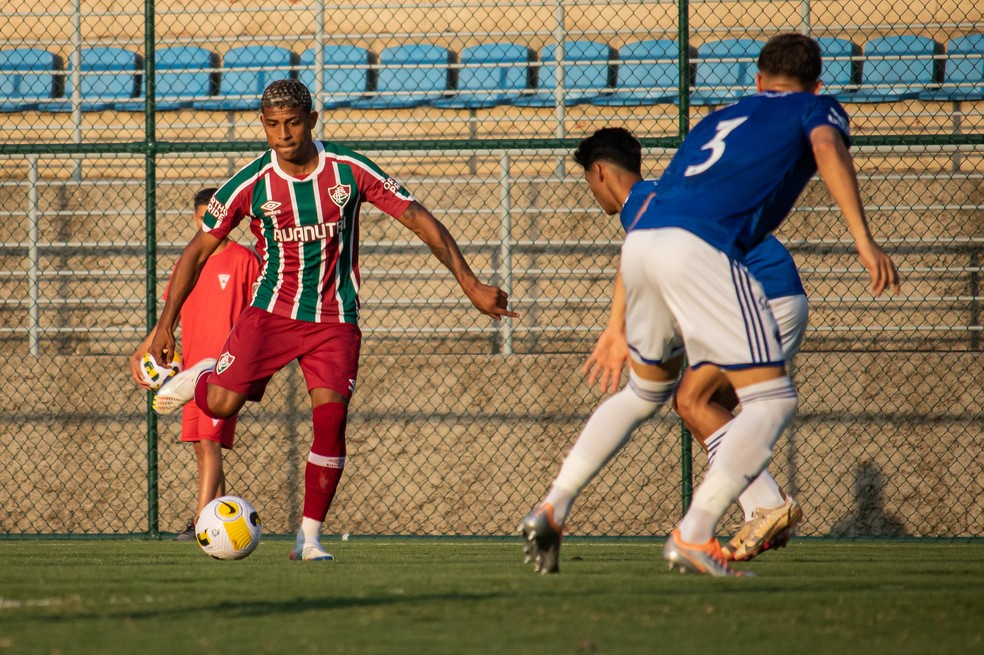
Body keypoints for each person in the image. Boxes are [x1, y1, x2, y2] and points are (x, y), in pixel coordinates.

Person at [520, 33, 899, 576]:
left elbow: (651, 225)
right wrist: (863, 239)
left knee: (653, 393)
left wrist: (615, 325)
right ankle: (699, 532)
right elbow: (826, 146)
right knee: (770, 403)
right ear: (817, 85)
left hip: (650, 250)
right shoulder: (816, 106)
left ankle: (553, 505)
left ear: (757, 81)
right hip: (705, 254)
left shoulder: (716, 120)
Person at [132, 79, 517, 561]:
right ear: (263, 126)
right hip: (270, 313)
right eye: (272, 125)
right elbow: (196, 251)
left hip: (335, 319)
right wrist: (166, 324)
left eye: (293, 123)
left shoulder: (348, 170)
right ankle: (204, 375)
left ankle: (308, 539)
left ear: (312, 121)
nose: (283, 134)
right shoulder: (250, 183)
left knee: (331, 421)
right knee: (222, 407)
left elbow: (419, 218)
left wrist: (470, 283)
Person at [584, 233, 808, 562]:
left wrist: (622, 331)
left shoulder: (649, 206)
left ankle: (770, 504)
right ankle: (758, 513)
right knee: (705, 410)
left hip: (766, 300)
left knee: (692, 400)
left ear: (600, 176)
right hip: (777, 298)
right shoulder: (677, 204)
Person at [130, 188, 261, 540]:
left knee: (210, 442)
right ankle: (217, 523)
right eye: (204, 217)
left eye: (215, 217)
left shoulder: (244, 260)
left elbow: (260, 313)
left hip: (223, 369)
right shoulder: (188, 262)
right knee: (201, 447)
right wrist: (142, 350)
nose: (210, 223)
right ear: (195, 218)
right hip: (189, 372)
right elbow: (169, 317)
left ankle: (202, 519)